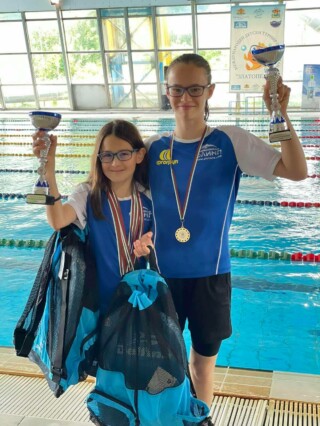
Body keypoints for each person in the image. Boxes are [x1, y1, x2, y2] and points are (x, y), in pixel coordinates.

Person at [133, 53, 308, 423]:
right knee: (162, 363)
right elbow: (125, 196)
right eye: (177, 88)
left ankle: (201, 418)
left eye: (195, 88)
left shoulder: (231, 140)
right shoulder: (152, 148)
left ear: (209, 90)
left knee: (201, 364)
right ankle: (164, 416)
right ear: (167, 92)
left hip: (211, 277)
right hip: (162, 279)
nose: (186, 97)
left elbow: (296, 170)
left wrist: (280, 112)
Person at [32, 119, 152, 315]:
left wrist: (149, 248)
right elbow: (58, 220)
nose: (115, 163)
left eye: (123, 154)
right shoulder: (87, 193)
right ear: (99, 158)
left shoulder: (148, 197)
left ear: (139, 155)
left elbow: (158, 245)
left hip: (135, 299)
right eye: (107, 155)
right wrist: (48, 166)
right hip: (93, 305)